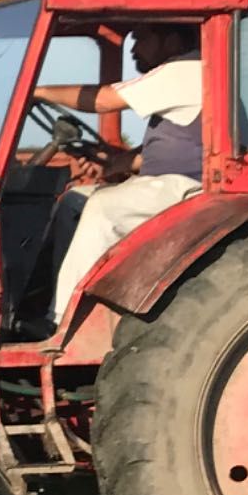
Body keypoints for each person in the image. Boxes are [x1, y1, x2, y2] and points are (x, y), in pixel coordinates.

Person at [35, 23, 203, 326]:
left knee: (105, 208)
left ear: (173, 38)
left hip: (191, 186)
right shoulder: (181, 74)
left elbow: (104, 100)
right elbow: (168, 148)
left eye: (141, 37)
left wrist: (38, 92)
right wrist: (115, 164)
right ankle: (46, 299)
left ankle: (62, 322)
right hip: (168, 181)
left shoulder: (188, 69)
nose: (134, 48)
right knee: (74, 200)